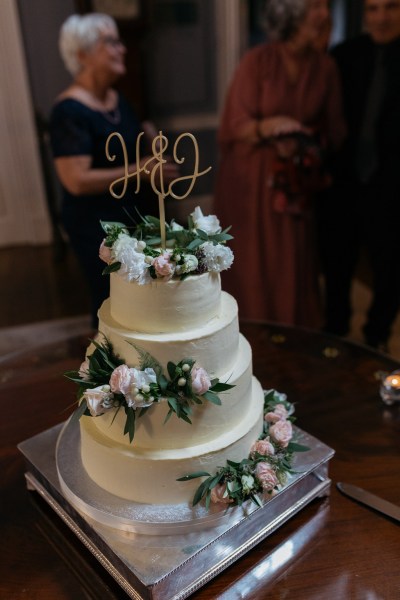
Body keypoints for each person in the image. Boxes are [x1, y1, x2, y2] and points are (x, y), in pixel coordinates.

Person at [213, 0, 345, 328]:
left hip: (294, 182)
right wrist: (269, 126)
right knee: (254, 264)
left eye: (326, 6)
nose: (324, 14)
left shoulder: (325, 67)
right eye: (316, 6)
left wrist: (307, 140)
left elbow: (336, 131)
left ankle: (293, 339)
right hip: (250, 184)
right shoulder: (257, 61)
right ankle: (251, 336)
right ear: (293, 13)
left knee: (293, 264)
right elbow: (233, 125)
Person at [50, 13, 177, 327]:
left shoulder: (117, 99)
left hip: (136, 213)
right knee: (113, 303)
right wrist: (141, 170)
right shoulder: (68, 111)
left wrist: (153, 143)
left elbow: (141, 136)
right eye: (112, 42)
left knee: (145, 300)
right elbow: (76, 180)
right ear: (83, 55)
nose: (122, 49)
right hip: (99, 227)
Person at [319, 0, 400, 350]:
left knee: (391, 268)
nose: (380, 17)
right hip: (343, 182)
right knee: (336, 263)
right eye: (372, 9)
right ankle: (335, 333)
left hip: (393, 185)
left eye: (391, 7)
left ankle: (376, 338)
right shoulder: (343, 55)